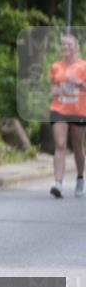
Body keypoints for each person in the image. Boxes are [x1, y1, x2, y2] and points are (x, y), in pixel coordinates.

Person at [48, 32, 86, 198]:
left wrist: (78, 83)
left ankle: (80, 178)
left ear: (76, 47)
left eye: (69, 45)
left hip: (78, 110)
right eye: (64, 45)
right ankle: (58, 184)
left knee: (77, 146)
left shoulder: (83, 66)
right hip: (59, 109)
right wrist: (55, 90)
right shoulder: (56, 66)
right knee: (61, 144)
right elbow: (54, 87)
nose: (66, 47)